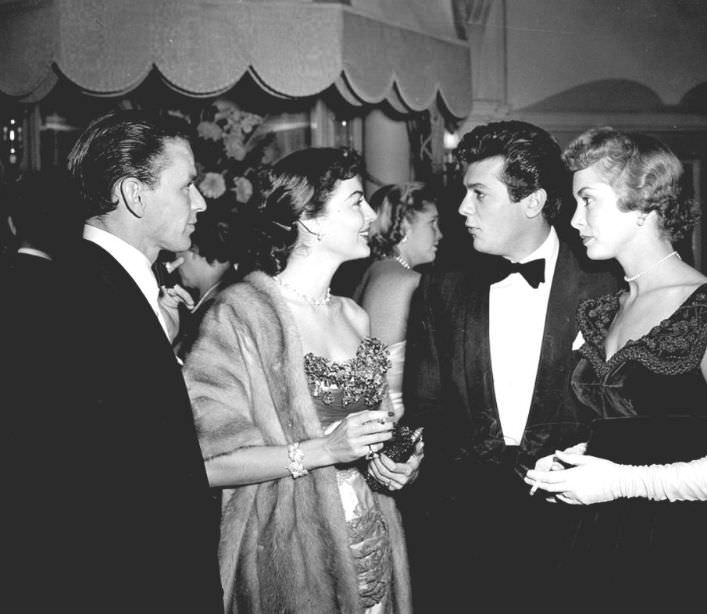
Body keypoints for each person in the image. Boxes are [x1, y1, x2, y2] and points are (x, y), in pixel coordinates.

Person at [524, 126, 707, 607]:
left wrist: (622, 481)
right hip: (603, 537)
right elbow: (646, 425)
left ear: (644, 205)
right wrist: (575, 459)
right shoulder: (607, 308)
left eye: (589, 200)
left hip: (688, 546)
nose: (576, 219)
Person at [181, 147, 422, 613]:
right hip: (290, 556)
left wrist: (395, 462)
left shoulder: (354, 314)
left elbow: (370, 438)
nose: (371, 214)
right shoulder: (241, 313)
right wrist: (324, 451)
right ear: (310, 219)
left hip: (373, 539)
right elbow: (206, 462)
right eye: (356, 201)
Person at [3, 109, 224, 613]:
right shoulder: (82, 299)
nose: (201, 202)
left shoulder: (102, 284)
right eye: (186, 186)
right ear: (134, 193)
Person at [399, 120, 619, 612]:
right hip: (465, 527)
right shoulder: (441, 287)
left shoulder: (608, 284)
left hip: (578, 519)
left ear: (533, 201)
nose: (462, 209)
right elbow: (425, 405)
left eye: (479, 194)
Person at [352, 182, 442, 416]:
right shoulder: (406, 281)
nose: (440, 234)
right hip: (393, 425)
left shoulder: (375, 271)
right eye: (432, 222)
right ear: (405, 226)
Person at [164, 202, 241, 359]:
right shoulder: (228, 298)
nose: (175, 257)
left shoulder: (217, 315)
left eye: (178, 249)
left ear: (194, 250)